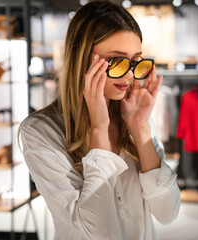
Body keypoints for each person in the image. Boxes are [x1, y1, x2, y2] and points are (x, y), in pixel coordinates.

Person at [18, 1, 180, 239]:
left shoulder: (134, 117)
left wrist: (141, 129)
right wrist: (99, 129)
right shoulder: (41, 132)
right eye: (117, 61)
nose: (128, 74)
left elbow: (168, 213)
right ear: (83, 59)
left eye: (135, 61)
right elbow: (97, 231)